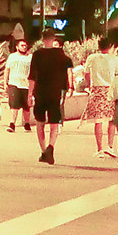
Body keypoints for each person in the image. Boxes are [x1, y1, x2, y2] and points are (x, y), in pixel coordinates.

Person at [28, 29, 71, 164]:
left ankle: (43, 150)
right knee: (54, 123)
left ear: (43, 39)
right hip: (55, 93)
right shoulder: (63, 57)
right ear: (54, 39)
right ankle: (51, 147)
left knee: (40, 123)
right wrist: (68, 88)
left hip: (40, 92)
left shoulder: (37, 55)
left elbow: (32, 77)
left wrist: (30, 93)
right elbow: (67, 74)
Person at [89, 40, 118, 157]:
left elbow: (87, 73)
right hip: (110, 89)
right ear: (110, 46)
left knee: (98, 120)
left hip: (97, 89)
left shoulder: (92, 58)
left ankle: (100, 149)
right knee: (111, 119)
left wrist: (89, 85)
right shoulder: (115, 59)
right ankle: (110, 146)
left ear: (98, 47)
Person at [4, 37, 33, 134]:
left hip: (26, 85)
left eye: (25, 46)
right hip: (14, 83)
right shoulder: (12, 57)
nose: (24, 47)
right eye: (22, 45)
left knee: (26, 107)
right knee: (14, 105)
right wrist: (5, 83)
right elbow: (7, 70)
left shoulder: (30, 58)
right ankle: (12, 124)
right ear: (17, 47)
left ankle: (27, 124)